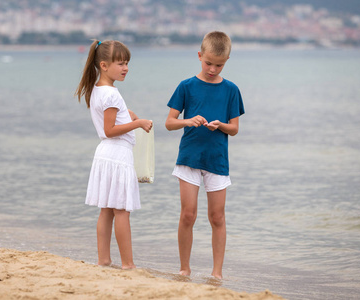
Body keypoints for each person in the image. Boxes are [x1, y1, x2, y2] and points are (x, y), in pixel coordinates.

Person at [165, 31, 244, 279]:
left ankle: (216, 273)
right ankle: (184, 268)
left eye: (218, 64)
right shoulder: (186, 86)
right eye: (208, 62)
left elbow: (234, 129)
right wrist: (188, 121)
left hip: (217, 160)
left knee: (217, 217)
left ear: (227, 60)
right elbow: (169, 123)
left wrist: (220, 125)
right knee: (188, 214)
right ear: (200, 56)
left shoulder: (231, 90)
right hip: (189, 157)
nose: (212, 69)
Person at [75, 40, 153, 270]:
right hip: (117, 155)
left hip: (105, 155)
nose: (125, 67)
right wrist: (137, 123)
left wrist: (126, 115)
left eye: (127, 63)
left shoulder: (97, 89)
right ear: (104, 65)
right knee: (121, 211)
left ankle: (104, 260)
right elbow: (109, 131)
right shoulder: (111, 94)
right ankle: (128, 264)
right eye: (120, 63)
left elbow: (109, 120)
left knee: (106, 211)